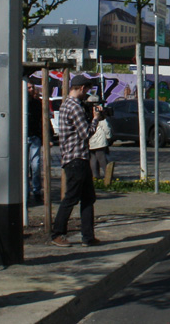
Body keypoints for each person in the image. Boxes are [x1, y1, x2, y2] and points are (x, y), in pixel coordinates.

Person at [51, 74, 102, 248]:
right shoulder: (75, 107)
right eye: (86, 90)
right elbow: (85, 133)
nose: (87, 93)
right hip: (76, 157)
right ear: (81, 88)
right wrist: (95, 120)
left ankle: (88, 236)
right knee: (71, 198)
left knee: (88, 198)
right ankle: (58, 233)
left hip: (76, 157)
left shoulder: (66, 104)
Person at [26, 83, 47, 203]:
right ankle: (26, 190)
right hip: (23, 137)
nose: (31, 89)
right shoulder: (21, 102)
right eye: (28, 87)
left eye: (32, 87)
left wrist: (45, 137)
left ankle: (36, 190)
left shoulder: (37, 103)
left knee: (35, 165)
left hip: (34, 137)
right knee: (24, 166)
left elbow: (42, 119)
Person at [88, 96, 112, 180]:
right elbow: (105, 125)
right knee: (102, 159)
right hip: (100, 140)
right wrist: (108, 136)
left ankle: (95, 176)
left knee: (93, 159)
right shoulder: (98, 112)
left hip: (91, 139)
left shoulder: (87, 111)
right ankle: (108, 176)